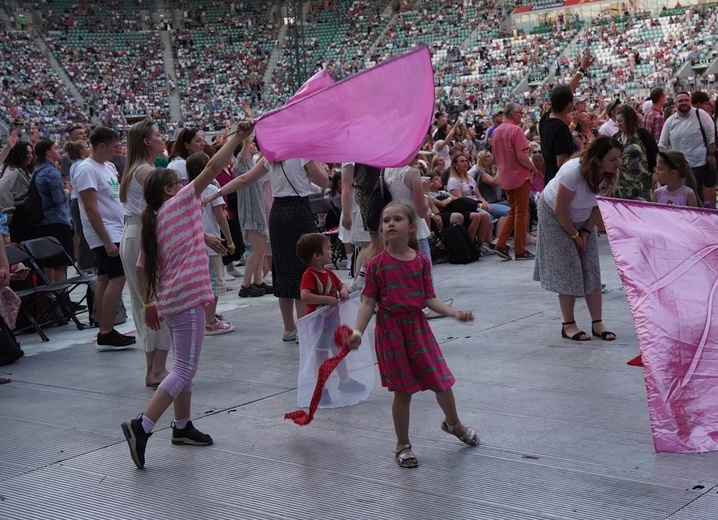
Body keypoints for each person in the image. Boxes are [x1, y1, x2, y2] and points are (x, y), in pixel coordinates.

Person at [120, 121, 253, 470]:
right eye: (178, 183)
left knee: (184, 365)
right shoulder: (180, 202)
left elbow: (141, 266)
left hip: (171, 299)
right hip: (188, 296)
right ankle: (142, 425)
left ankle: (182, 427)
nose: (183, 185)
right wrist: (237, 139)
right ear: (169, 192)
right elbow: (210, 168)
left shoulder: (157, 217)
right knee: (184, 367)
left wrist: (150, 301)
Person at [347, 202, 478, 469]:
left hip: (418, 331)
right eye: (386, 220)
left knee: (441, 381)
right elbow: (367, 303)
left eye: (397, 219)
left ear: (411, 227)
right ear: (382, 229)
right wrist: (358, 330)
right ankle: (402, 445)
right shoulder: (375, 266)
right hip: (391, 333)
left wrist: (453, 313)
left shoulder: (420, 262)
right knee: (403, 391)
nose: (390, 224)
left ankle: (453, 423)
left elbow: (430, 298)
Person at [205, 156, 328, 342]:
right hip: (299, 212)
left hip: (278, 213)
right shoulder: (302, 154)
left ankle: (289, 328)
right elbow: (323, 180)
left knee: (283, 271)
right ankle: (305, 328)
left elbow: (244, 179)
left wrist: (217, 193)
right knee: (303, 271)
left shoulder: (271, 157)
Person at [533, 136, 620, 342]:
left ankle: (597, 322)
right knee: (569, 266)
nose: (618, 163)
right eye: (612, 159)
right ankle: (568, 324)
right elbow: (560, 210)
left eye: (619, 158)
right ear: (597, 160)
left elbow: (599, 206)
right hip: (555, 215)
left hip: (583, 218)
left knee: (591, 266)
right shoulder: (572, 172)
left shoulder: (610, 175)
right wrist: (574, 235)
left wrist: (586, 233)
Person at [118, 119, 171, 387]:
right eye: (158, 134)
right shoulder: (146, 172)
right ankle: (157, 369)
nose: (163, 138)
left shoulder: (135, 170)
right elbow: (174, 200)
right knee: (156, 301)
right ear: (147, 142)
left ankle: (153, 369)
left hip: (133, 234)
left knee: (146, 303)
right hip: (143, 235)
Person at [75, 127, 136, 349]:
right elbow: (91, 208)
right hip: (105, 233)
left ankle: (104, 327)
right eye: (114, 145)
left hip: (115, 229)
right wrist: (107, 240)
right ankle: (107, 331)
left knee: (104, 279)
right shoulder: (86, 169)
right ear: (102, 146)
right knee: (118, 278)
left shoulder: (106, 167)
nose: (117, 149)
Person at [296, 233, 365, 405]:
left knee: (338, 353)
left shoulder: (328, 273)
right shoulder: (309, 275)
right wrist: (326, 300)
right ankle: (322, 389)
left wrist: (342, 290)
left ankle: (345, 382)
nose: (331, 250)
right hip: (319, 326)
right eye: (327, 248)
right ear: (316, 255)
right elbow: (305, 296)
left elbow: (340, 284)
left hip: (333, 323)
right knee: (321, 358)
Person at [186, 152, 235, 335]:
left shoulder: (188, 190)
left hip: (195, 243)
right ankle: (209, 321)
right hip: (212, 243)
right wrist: (230, 241)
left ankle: (202, 318)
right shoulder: (211, 190)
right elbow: (221, 218)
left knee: (199, 282)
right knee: (214, 283)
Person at [491, 102, 538, 260]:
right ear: (513, 114)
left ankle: (501, 243)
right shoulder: (516, 130)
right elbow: (521, 156)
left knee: (513, 211)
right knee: (521, 213)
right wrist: (533, 167)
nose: (522, 115)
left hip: (505, 176)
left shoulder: (496, 132)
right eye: (520, 113)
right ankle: (520, 249)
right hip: (519, 176)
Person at [658, 91, 716, 208]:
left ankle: (698, 219)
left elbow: (711, 138)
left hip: (698, 164)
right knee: (681, 196)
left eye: (686, 100)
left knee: (695, 194)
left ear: (690, 101)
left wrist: (711, 154)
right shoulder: (670, 121)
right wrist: (667, 164)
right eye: (680, 101)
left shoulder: (701, 115)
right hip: (678, 167)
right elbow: (662, 145)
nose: (684, 103)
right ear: (675, 103)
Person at [233, 132, 272, 298]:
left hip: (257, 209)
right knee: (257, 249)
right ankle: (245, 284)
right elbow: (246, 143)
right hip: (250, 211)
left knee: (261, 249)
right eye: (251, 144)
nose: (254, 146)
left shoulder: (252, 165)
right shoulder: (240, 165)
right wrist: (247, 134)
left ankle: (257, 280)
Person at [33, 140, 73, 283]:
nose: (59, 151)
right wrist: (68, 189)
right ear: (48, 153)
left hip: (44, 221)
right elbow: (59, 199)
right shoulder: (52, 173)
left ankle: (51, 298)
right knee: (60, 264)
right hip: (56, 221)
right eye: (55, 149)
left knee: (49, 263)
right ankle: (63, 299)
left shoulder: (37, 170)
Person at [613, 105, 658, 201]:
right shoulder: (616, 137)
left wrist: (655, 172)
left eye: (621, 121)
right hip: (621, 183)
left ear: (629, 120)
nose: (618, 124)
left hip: (641, 182)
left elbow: (654, 153)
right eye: (617, 121)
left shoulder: (642, 135)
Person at [540, 85, 577, 186]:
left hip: (549, 178)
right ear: (569, 104)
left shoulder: (544, 118)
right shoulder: (560, 128)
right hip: (560, 183)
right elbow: (561, 163)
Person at [0, 139, 34, 244]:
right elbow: (3, 188)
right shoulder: (13, 170)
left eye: (31, 153)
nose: (31, 156)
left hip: (25, 213)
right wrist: (9, 210)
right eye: (27, 153)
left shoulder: (24, 170)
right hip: (19, 214)